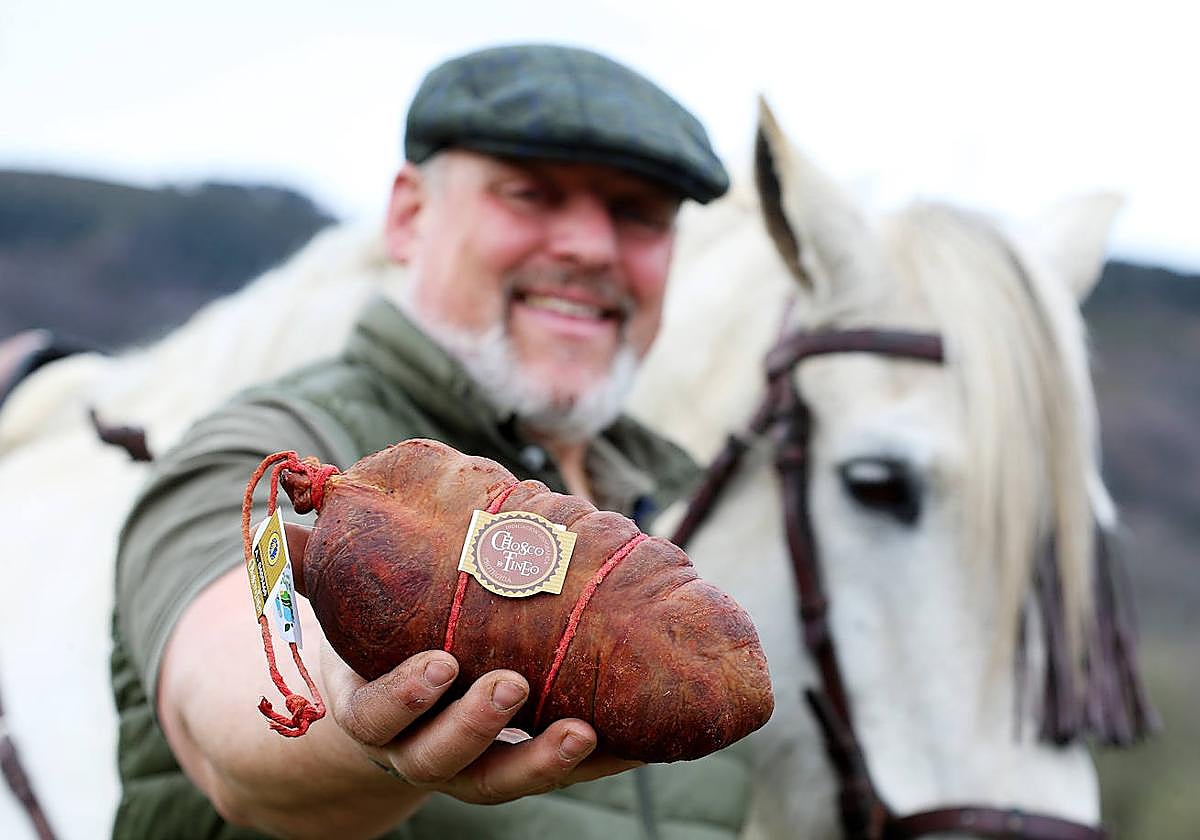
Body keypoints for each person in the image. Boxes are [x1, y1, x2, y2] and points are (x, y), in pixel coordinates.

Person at [112, 44, 748, 839]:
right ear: (411, 215)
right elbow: (227, 713)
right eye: (530, 194)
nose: (591, 247)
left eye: (639, 214)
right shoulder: (270, 443)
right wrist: (346, 705)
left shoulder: (686, 505)